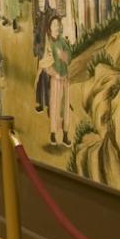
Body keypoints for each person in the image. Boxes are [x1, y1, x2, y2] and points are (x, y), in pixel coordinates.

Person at [39, 14, 71, 146]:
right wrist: (54, 73)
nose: (56, 27)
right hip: (55, 79)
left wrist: (62, 55)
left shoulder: (62, 41)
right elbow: (45, 63)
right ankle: (53, 133)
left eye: (57, 25)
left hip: (65, 79)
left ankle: (65, 134)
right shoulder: (49, 43)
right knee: (55, 106)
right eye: (54, 25)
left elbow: (69, 57)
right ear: (50, 28)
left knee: (65, 107)